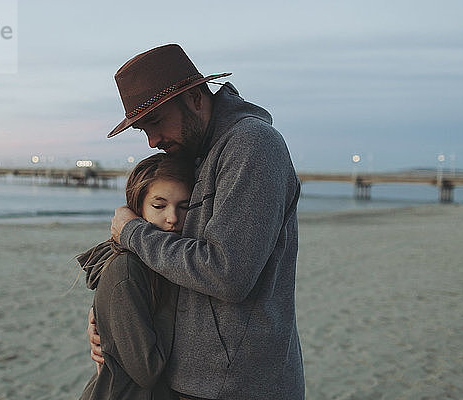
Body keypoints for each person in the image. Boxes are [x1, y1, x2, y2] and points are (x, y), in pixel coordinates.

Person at [89, 44, 305, 399]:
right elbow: (171, 260)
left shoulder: (251, 145)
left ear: (195, 99)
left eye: (156, 122)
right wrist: (110, 322)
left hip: (241, 386)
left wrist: (132, 232)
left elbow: (227, 272)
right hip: (198, 380)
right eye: (143, 129)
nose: (152, 140)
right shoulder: (200, 153)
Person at [78, 153, 195, 400]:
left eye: (184, 206)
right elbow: (147, 371)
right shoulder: (127, 269)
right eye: (159, 206)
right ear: (137, 208)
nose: (172, 218)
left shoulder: (171, 264)